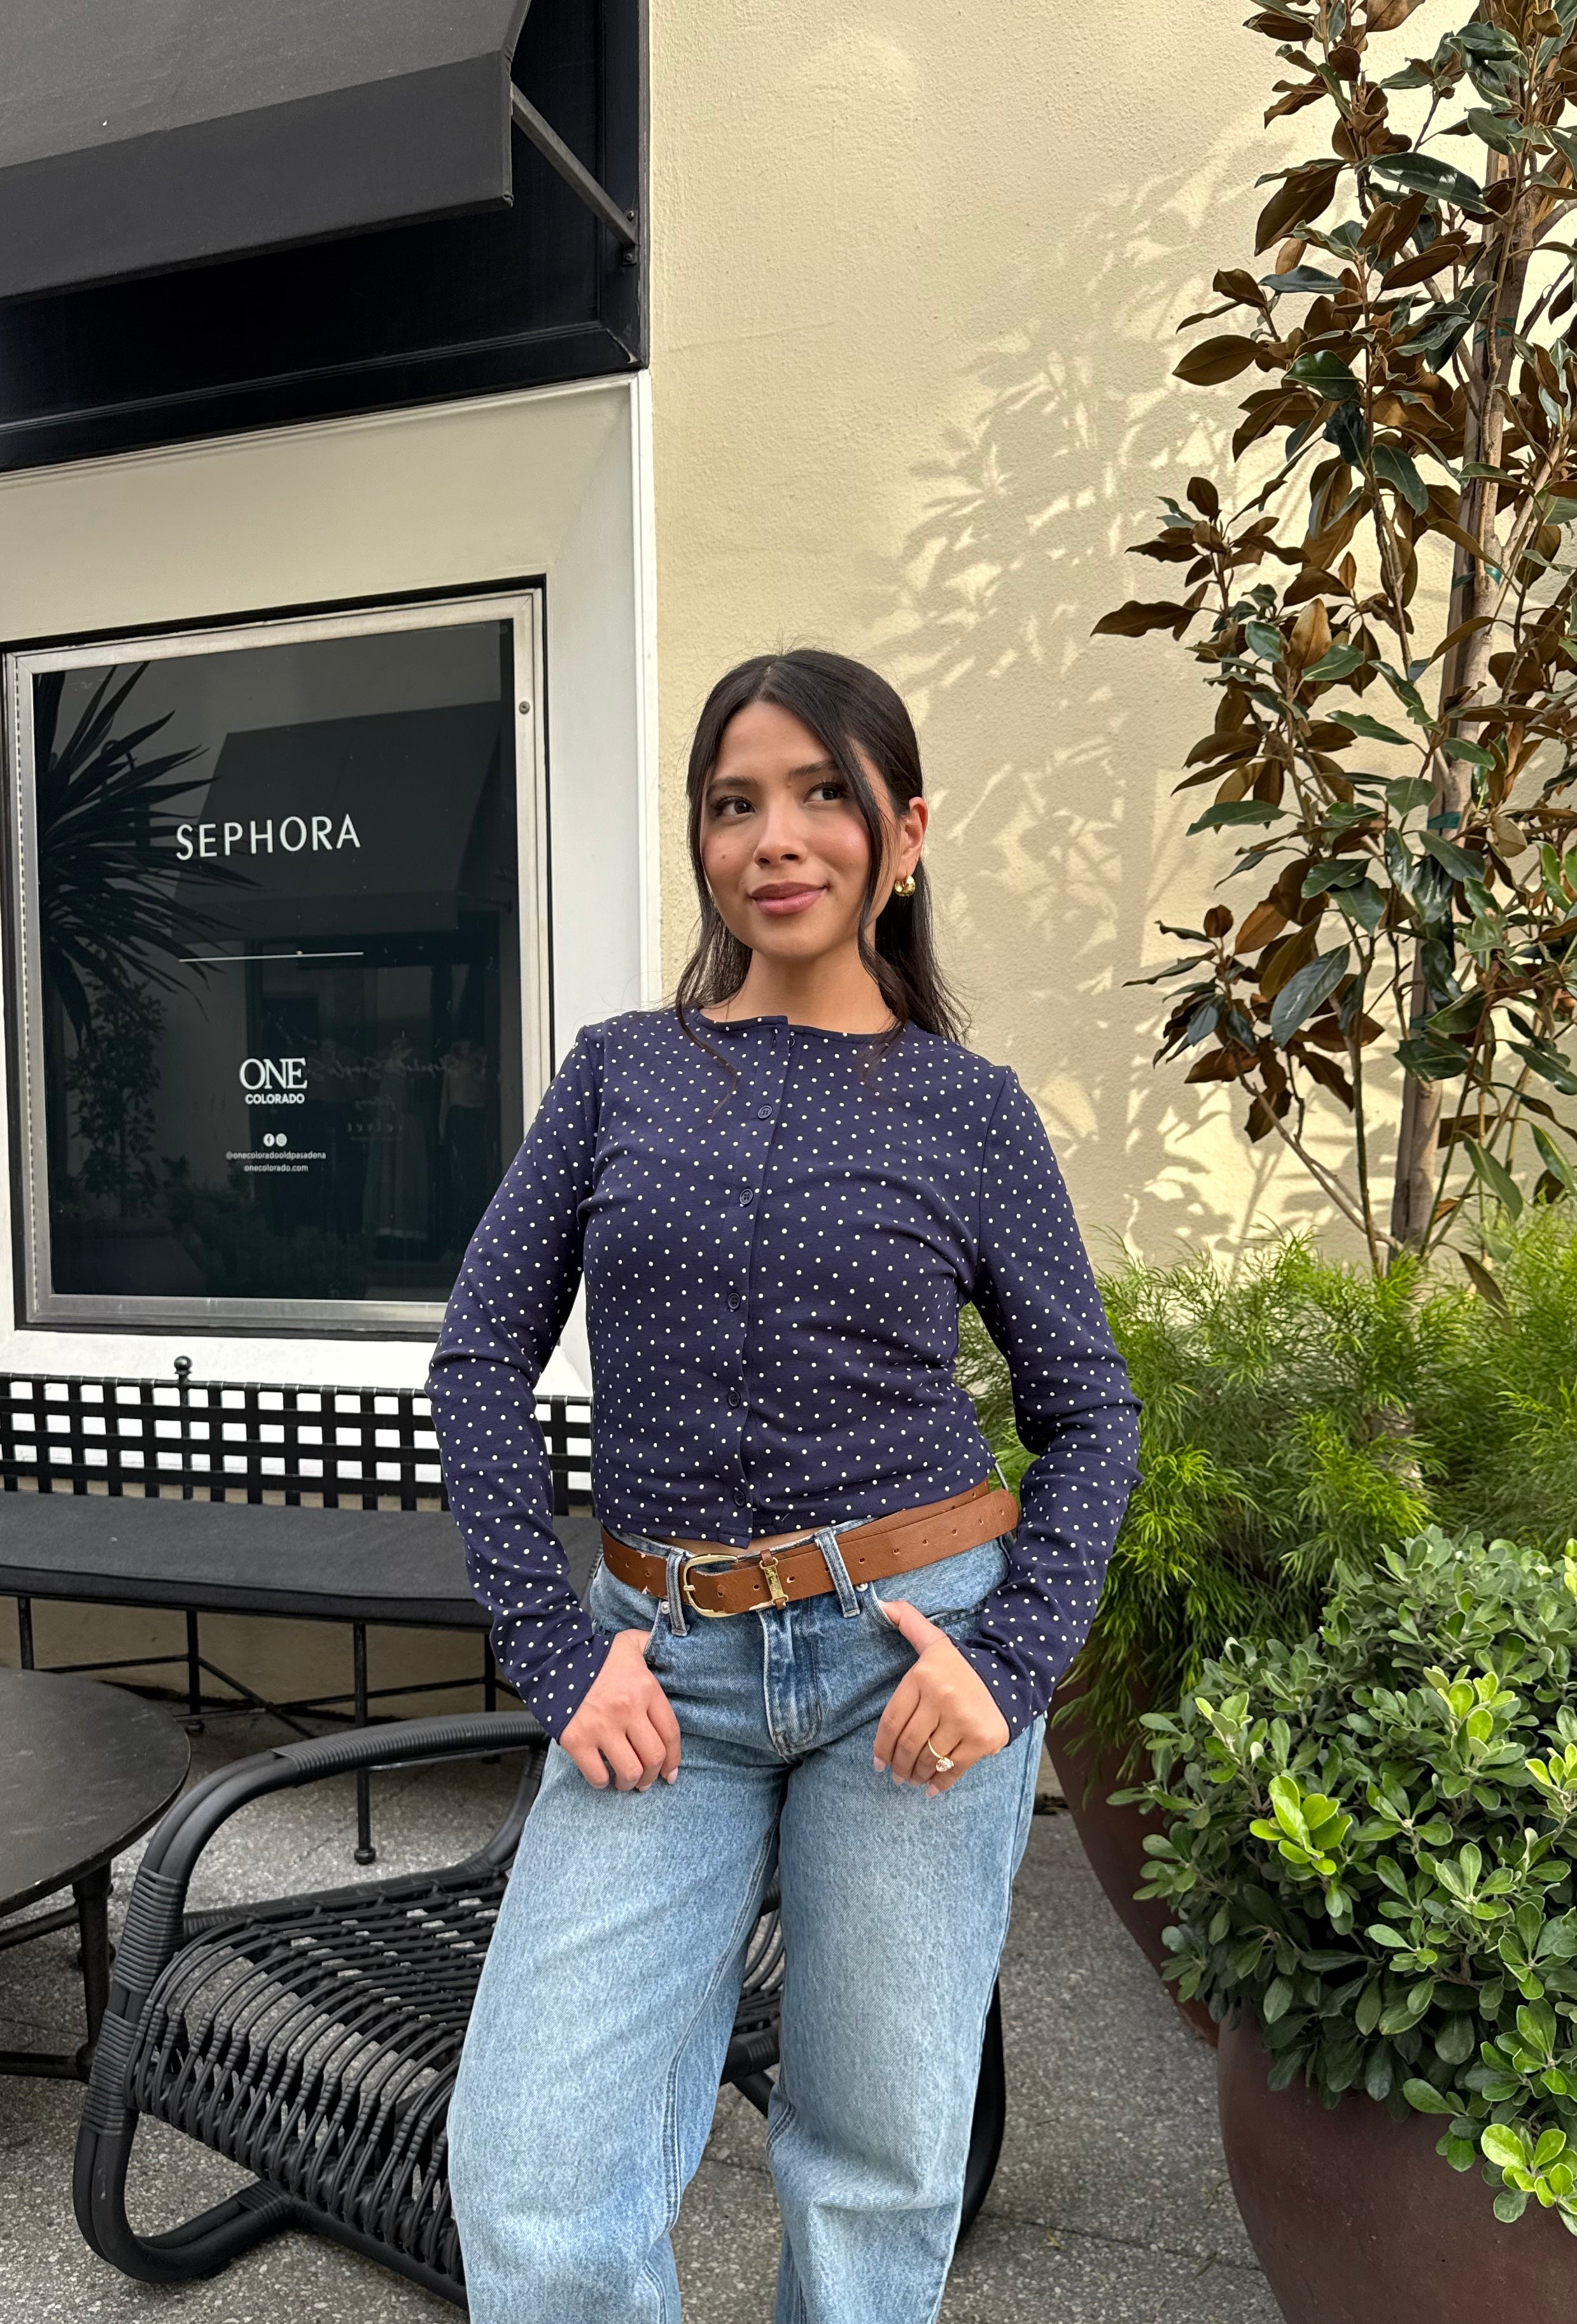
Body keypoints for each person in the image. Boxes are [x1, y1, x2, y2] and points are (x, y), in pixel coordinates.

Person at [428, 648, 1140, 2324]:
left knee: (877, 2166)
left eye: (823, 793)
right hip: (652, 1672)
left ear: (902, 834)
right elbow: (475, 1362)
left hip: (915, 1661)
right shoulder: (621, 1072)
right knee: (534, 2174)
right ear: (699, 837)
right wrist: (554, 1645)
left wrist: (1009, 1658)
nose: (776, 837)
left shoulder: (970, 1114)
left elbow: (1087, 1415)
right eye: (734, 802)